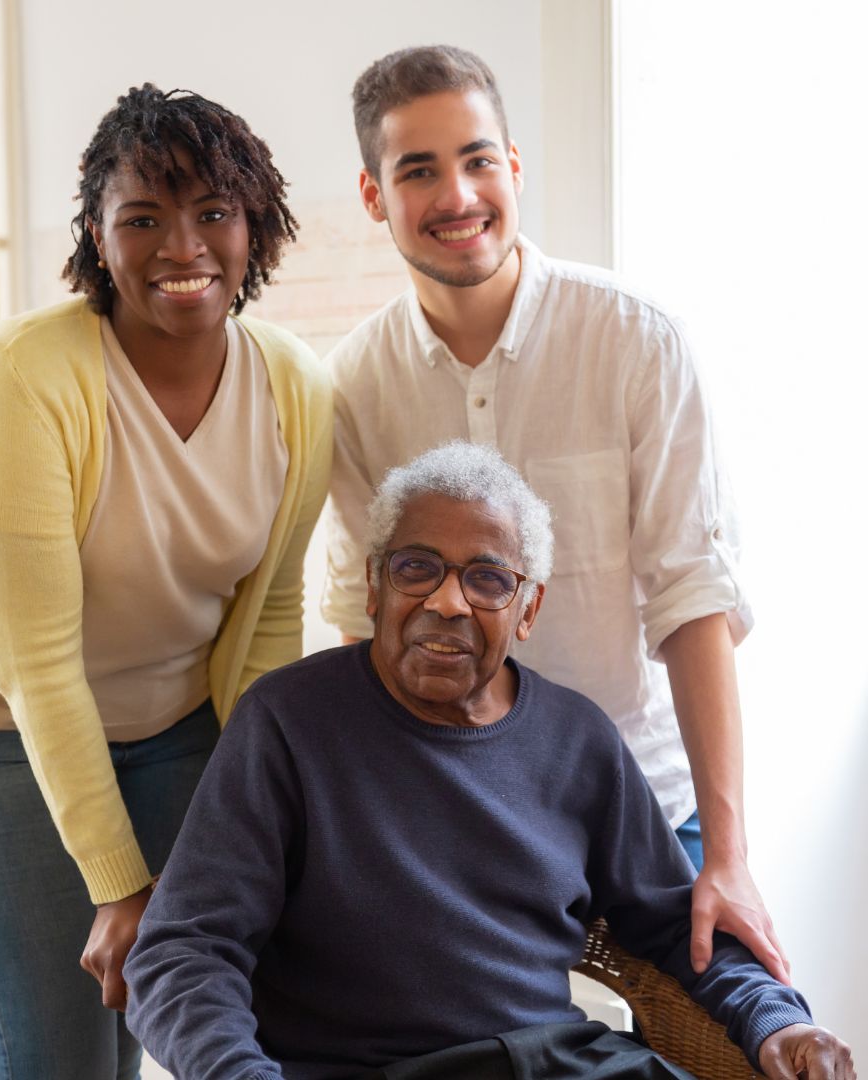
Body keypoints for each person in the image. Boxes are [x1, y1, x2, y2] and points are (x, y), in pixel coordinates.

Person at [124, 442, 855, 1080]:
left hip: (563, 1061)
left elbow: (676, 927)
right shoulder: (287, 723)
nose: (447, 602)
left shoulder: (580, 741)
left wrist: (777, 1021)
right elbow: (182, 953)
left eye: (487, 579)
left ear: (528, 610)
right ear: (375, 588)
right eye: (418, 568)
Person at [0, 84, 332, 1080]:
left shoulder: (297, 386)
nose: (183, 245)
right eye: (144, 217)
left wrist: (266, 808)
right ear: (96, 233)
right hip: (3, 747)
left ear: (257, 225)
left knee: (194, 1027)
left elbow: (274, 615)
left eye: (214, 211)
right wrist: (118, 882)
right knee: (64, 1060)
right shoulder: (20, 376)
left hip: (182, 736)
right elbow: (35, 666)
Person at [322, 44, 787, 984]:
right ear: (374, 197)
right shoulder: (350, 389)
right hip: (444, 817)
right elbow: (357, 624)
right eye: (418, 170)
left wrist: (729, 858)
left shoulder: (637, 342)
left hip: (646, 808)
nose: (458, 195)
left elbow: (694, 599)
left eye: (478, 158)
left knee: (754, 1019)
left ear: (514, 167)